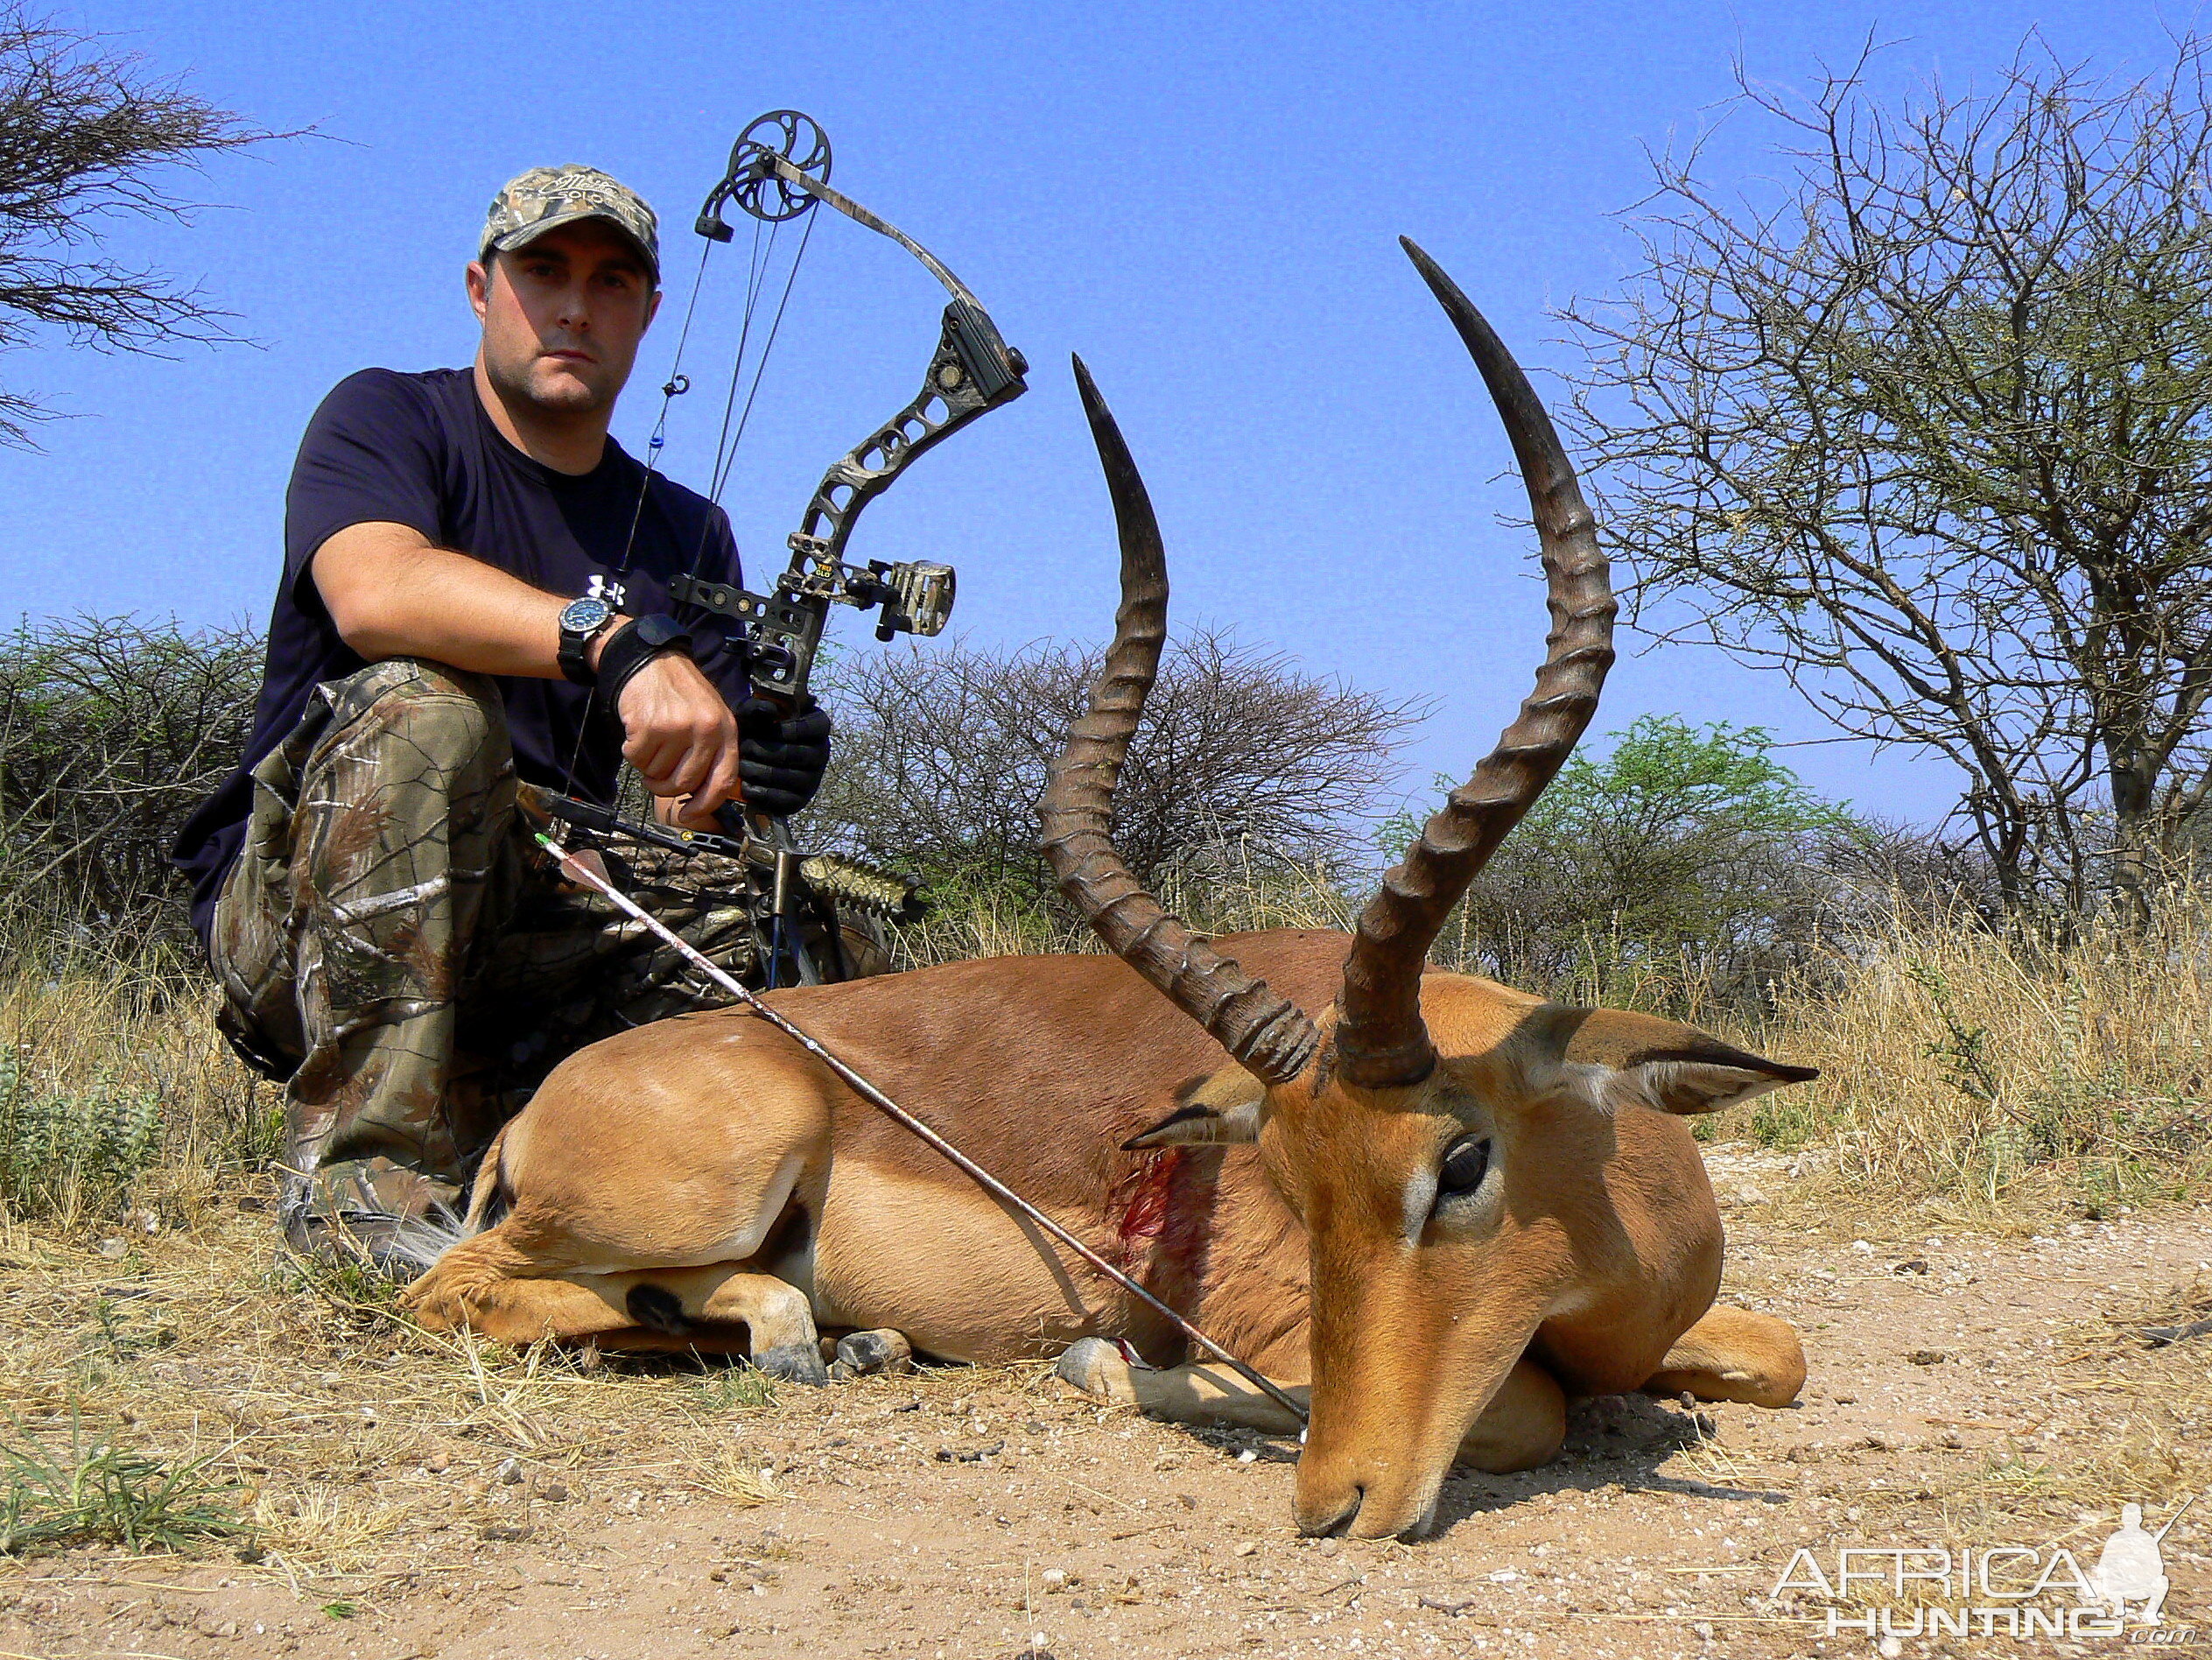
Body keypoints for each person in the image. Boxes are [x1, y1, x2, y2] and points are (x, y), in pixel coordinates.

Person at [172, 165, 834, 1269]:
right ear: (482, 289)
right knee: (424, 711)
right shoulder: (386, 415)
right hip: (300, 931)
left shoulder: (687, 529)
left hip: (526, 915)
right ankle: (363, 1185)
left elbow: (686, 813)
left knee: (800, 920)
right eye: (544, 272)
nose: (576, 307)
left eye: (611, 281)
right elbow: (375, 592)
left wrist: (745, 768)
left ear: (648, 315)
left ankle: (681, 1195)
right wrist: (616, 647)